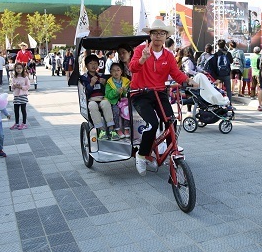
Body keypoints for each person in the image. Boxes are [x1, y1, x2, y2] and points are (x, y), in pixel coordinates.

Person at [130, 19, 198, 176]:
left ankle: (171, 153)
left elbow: (175, 73)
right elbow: (132, 68)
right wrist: (142, 59)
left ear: (166, 36)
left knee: (171, 121)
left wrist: (188, 80)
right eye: (155, 33)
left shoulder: (168, 55)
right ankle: (141, 155)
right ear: (150, 35)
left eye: (162, 33)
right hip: (140, 93)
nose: (158, 36)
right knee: (152, 124)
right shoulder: (142, 50)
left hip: (159, 93)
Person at [80, 54, 119, 140]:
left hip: (102, 98)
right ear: (86, 66)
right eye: (91, 63)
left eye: (95, 63)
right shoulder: (84, 78)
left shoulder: (102, 76)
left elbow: (107, 91)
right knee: (92, 106)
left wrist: (104, 84)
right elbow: (85, 93)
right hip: (91, 99)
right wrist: (91, 84)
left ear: (98, 65)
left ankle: (111, 129)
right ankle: (101, 130)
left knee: (106, 103)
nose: (93, 65)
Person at [105, 63, 131, 138]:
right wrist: (116, 92)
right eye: (113, 71)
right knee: (115, 111)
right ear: (110, 72)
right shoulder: (109, 83)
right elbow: (108, 95)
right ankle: (117, 129)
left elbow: (128, 93)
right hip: (113, 102)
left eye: (118, 70)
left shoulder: (126, 81)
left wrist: (125, 91)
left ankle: (126, 129)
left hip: (124, 102)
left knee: (127, 109)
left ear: (121, 71)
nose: (116, 72)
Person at [10, 63, 30, 130]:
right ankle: (17, 123)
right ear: (15, 69)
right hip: (16, 95)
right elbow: (12, 87)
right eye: (17, 68)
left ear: (22, 69)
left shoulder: (25, 77)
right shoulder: (14, 77)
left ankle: (24, 123)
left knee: (23, 110)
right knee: (16, 110)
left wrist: (21, 87)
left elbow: (28, 86)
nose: (19, 70)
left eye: (20, 68)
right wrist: (14, 85)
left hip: (23, 95)